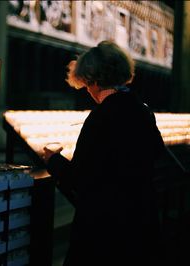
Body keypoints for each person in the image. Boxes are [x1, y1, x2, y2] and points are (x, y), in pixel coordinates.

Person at [44, 40, 165, 266]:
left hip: (105, 228)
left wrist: (54, 160)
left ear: (94, 81)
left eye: (87, 84)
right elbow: (157, 151)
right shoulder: (142, 109)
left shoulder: (101, 117)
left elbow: (78, 177)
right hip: (140, 221)